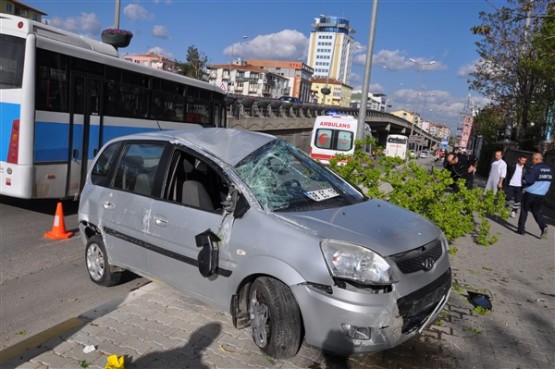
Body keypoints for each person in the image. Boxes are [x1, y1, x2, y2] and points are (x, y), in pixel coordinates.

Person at [517, 152, 553, 238]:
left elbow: (529, 180)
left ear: (537, 159)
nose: (531, 161)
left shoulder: (535, 168)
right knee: (536, 211)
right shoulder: (549, 169)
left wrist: (524, 178)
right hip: (541, 194)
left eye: (532, 159)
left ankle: (521, 229)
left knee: (524, 210)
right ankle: (543, 227)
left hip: (530, 193)